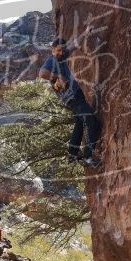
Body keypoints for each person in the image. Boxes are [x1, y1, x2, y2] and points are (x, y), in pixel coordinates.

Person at [39, 38, 101, 167]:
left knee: (79, 122)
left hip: (73, 96)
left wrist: (87, 33)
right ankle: (88, 157)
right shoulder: (52, 59)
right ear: (52, 49)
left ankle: (73, 154)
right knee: (90, 120)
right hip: (72, 97)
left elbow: (73, 45)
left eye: (63, 49)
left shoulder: (61, 56)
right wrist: (57, 77)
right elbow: (42, 73)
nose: (61, 52)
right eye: (58, 50)